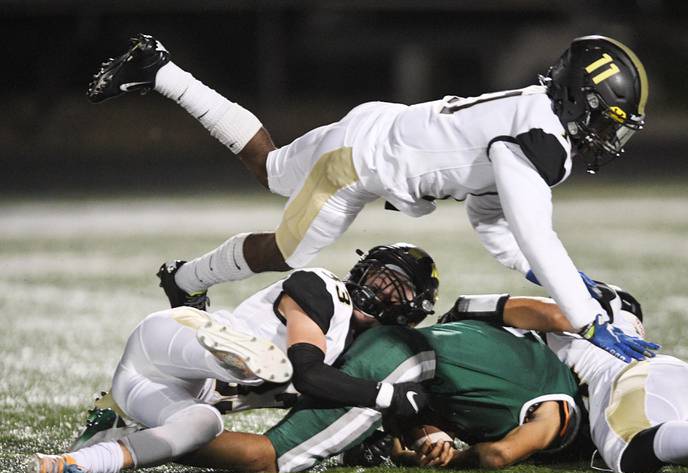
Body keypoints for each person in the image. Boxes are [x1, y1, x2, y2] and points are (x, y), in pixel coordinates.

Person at [86, 33, 657, 363]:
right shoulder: (540, 143)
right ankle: (183, 281)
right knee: (289, 253)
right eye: (608, 121)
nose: (610, 136)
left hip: (377, 126)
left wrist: (548, 276)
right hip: (358, 165)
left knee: (271, 168)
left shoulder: (533, 117)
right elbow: (535, 232)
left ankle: (160, 70)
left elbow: (492, 218)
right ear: (580, 101)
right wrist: (585, 318)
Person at [27, 243, 439, 473]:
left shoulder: (353, 359)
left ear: (410, 311)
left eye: (397, 288)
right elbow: (311, 373)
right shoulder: (325, 290)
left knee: (204, 425)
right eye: (381, 276)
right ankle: (233, 351)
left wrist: (410, 435)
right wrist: (388, 395)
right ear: (360, 270)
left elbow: (352, 400)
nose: (381, 288)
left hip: (151, 391)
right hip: (173, 343)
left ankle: (80, 461)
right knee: (262, 368)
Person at [438, 290, 688, 473]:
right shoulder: (618, 318)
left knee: (627, 451)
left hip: (627, 380)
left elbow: (522, 313)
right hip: (681, 375)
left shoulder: (560, 319)